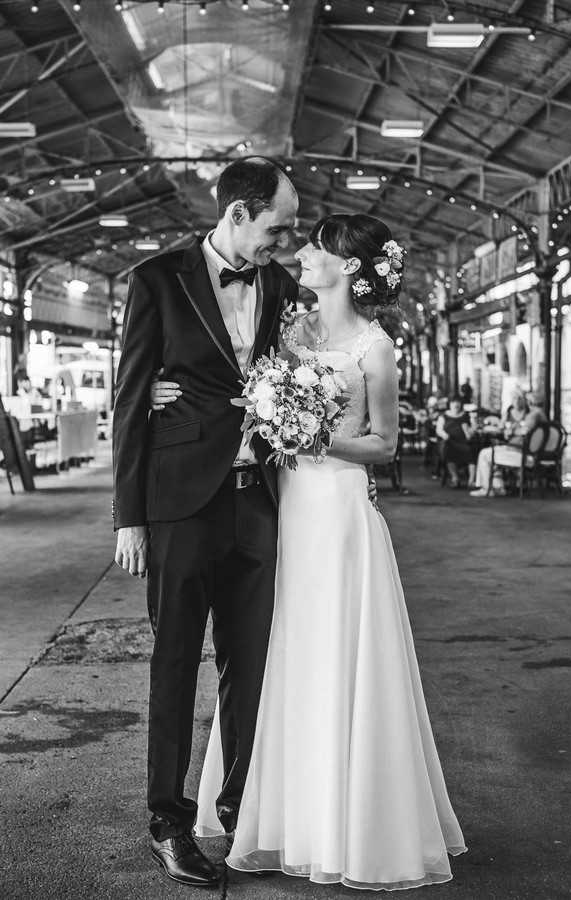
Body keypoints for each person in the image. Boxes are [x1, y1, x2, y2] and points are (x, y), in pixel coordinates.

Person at [153, 214, 466, 890]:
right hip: (283, 509)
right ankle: (278, 814)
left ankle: (345, 824)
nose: (303, 253)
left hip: (340, 514)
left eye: (318, 248)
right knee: (281, 659)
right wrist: (159, 389)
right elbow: (223, 373)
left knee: (338, 658)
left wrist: (310, 438)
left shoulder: (375, 347)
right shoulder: (292, 331)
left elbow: (384, 444)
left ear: (350, 268)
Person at [112, 157, 299, 887]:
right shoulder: (156, 279)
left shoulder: (281, 285)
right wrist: (131, 517)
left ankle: (240, 809)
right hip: (179, 505)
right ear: (237, 215)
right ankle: (168, 818)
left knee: (250, 667)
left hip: (259, 502)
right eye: (275, 230)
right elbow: (131, 399)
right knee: (174, 664)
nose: (280, 244)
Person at [470, 391, 547, 497]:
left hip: (523, 455)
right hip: (525, 452)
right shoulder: (541, 416)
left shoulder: (533, 415)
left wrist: (512, 431)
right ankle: (498, 487)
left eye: (527, 401)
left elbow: (524, 431)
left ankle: (487, 488)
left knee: (484, 454)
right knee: (492, 452)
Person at [435, 396, 476, 488]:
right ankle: (455, 478)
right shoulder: (444, 416)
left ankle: (471, 480)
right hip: (450, 441)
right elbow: (439, 430)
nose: (456, 405)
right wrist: (445, 435)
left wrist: (471, 428)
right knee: (449, 452)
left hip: (464, 442)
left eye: (458, 403)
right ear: (450, 405)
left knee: (472, 452)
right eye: (454, 403)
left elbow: (472, 430)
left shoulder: (465, 416)